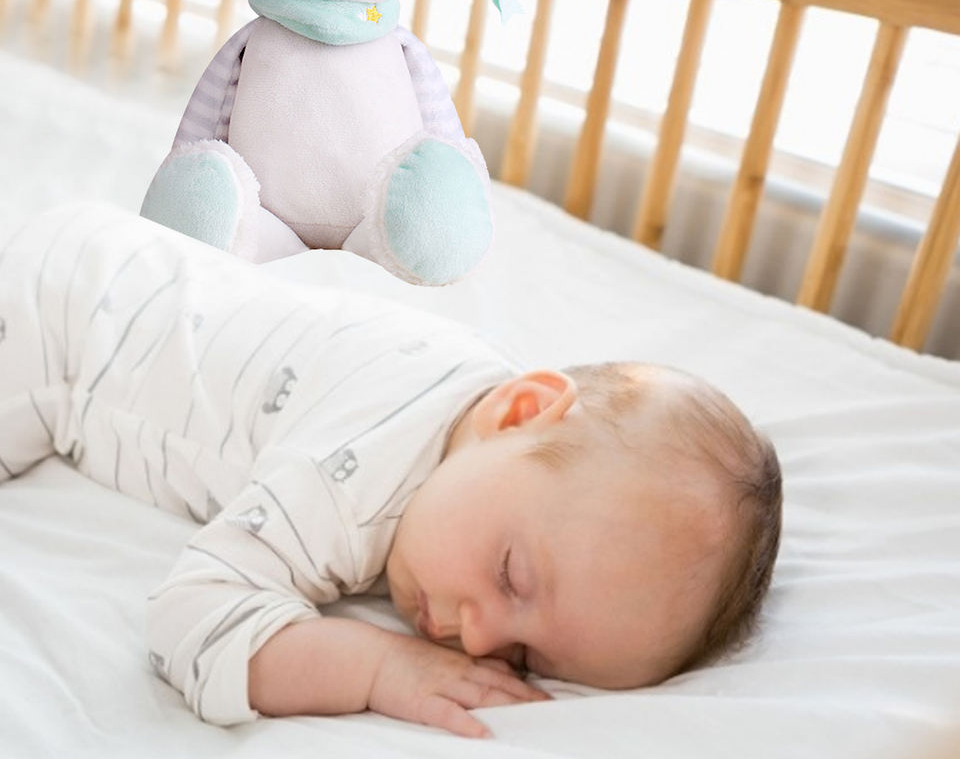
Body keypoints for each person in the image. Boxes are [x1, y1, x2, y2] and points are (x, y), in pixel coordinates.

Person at [0, 203, 782, 739]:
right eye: (510, 576)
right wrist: (377, 667)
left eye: (523, 660)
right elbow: (195, 622)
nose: (478, 637)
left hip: (107, 258)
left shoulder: (489, 427)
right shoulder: (357, 478)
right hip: (52, 325)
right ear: (519, 410)